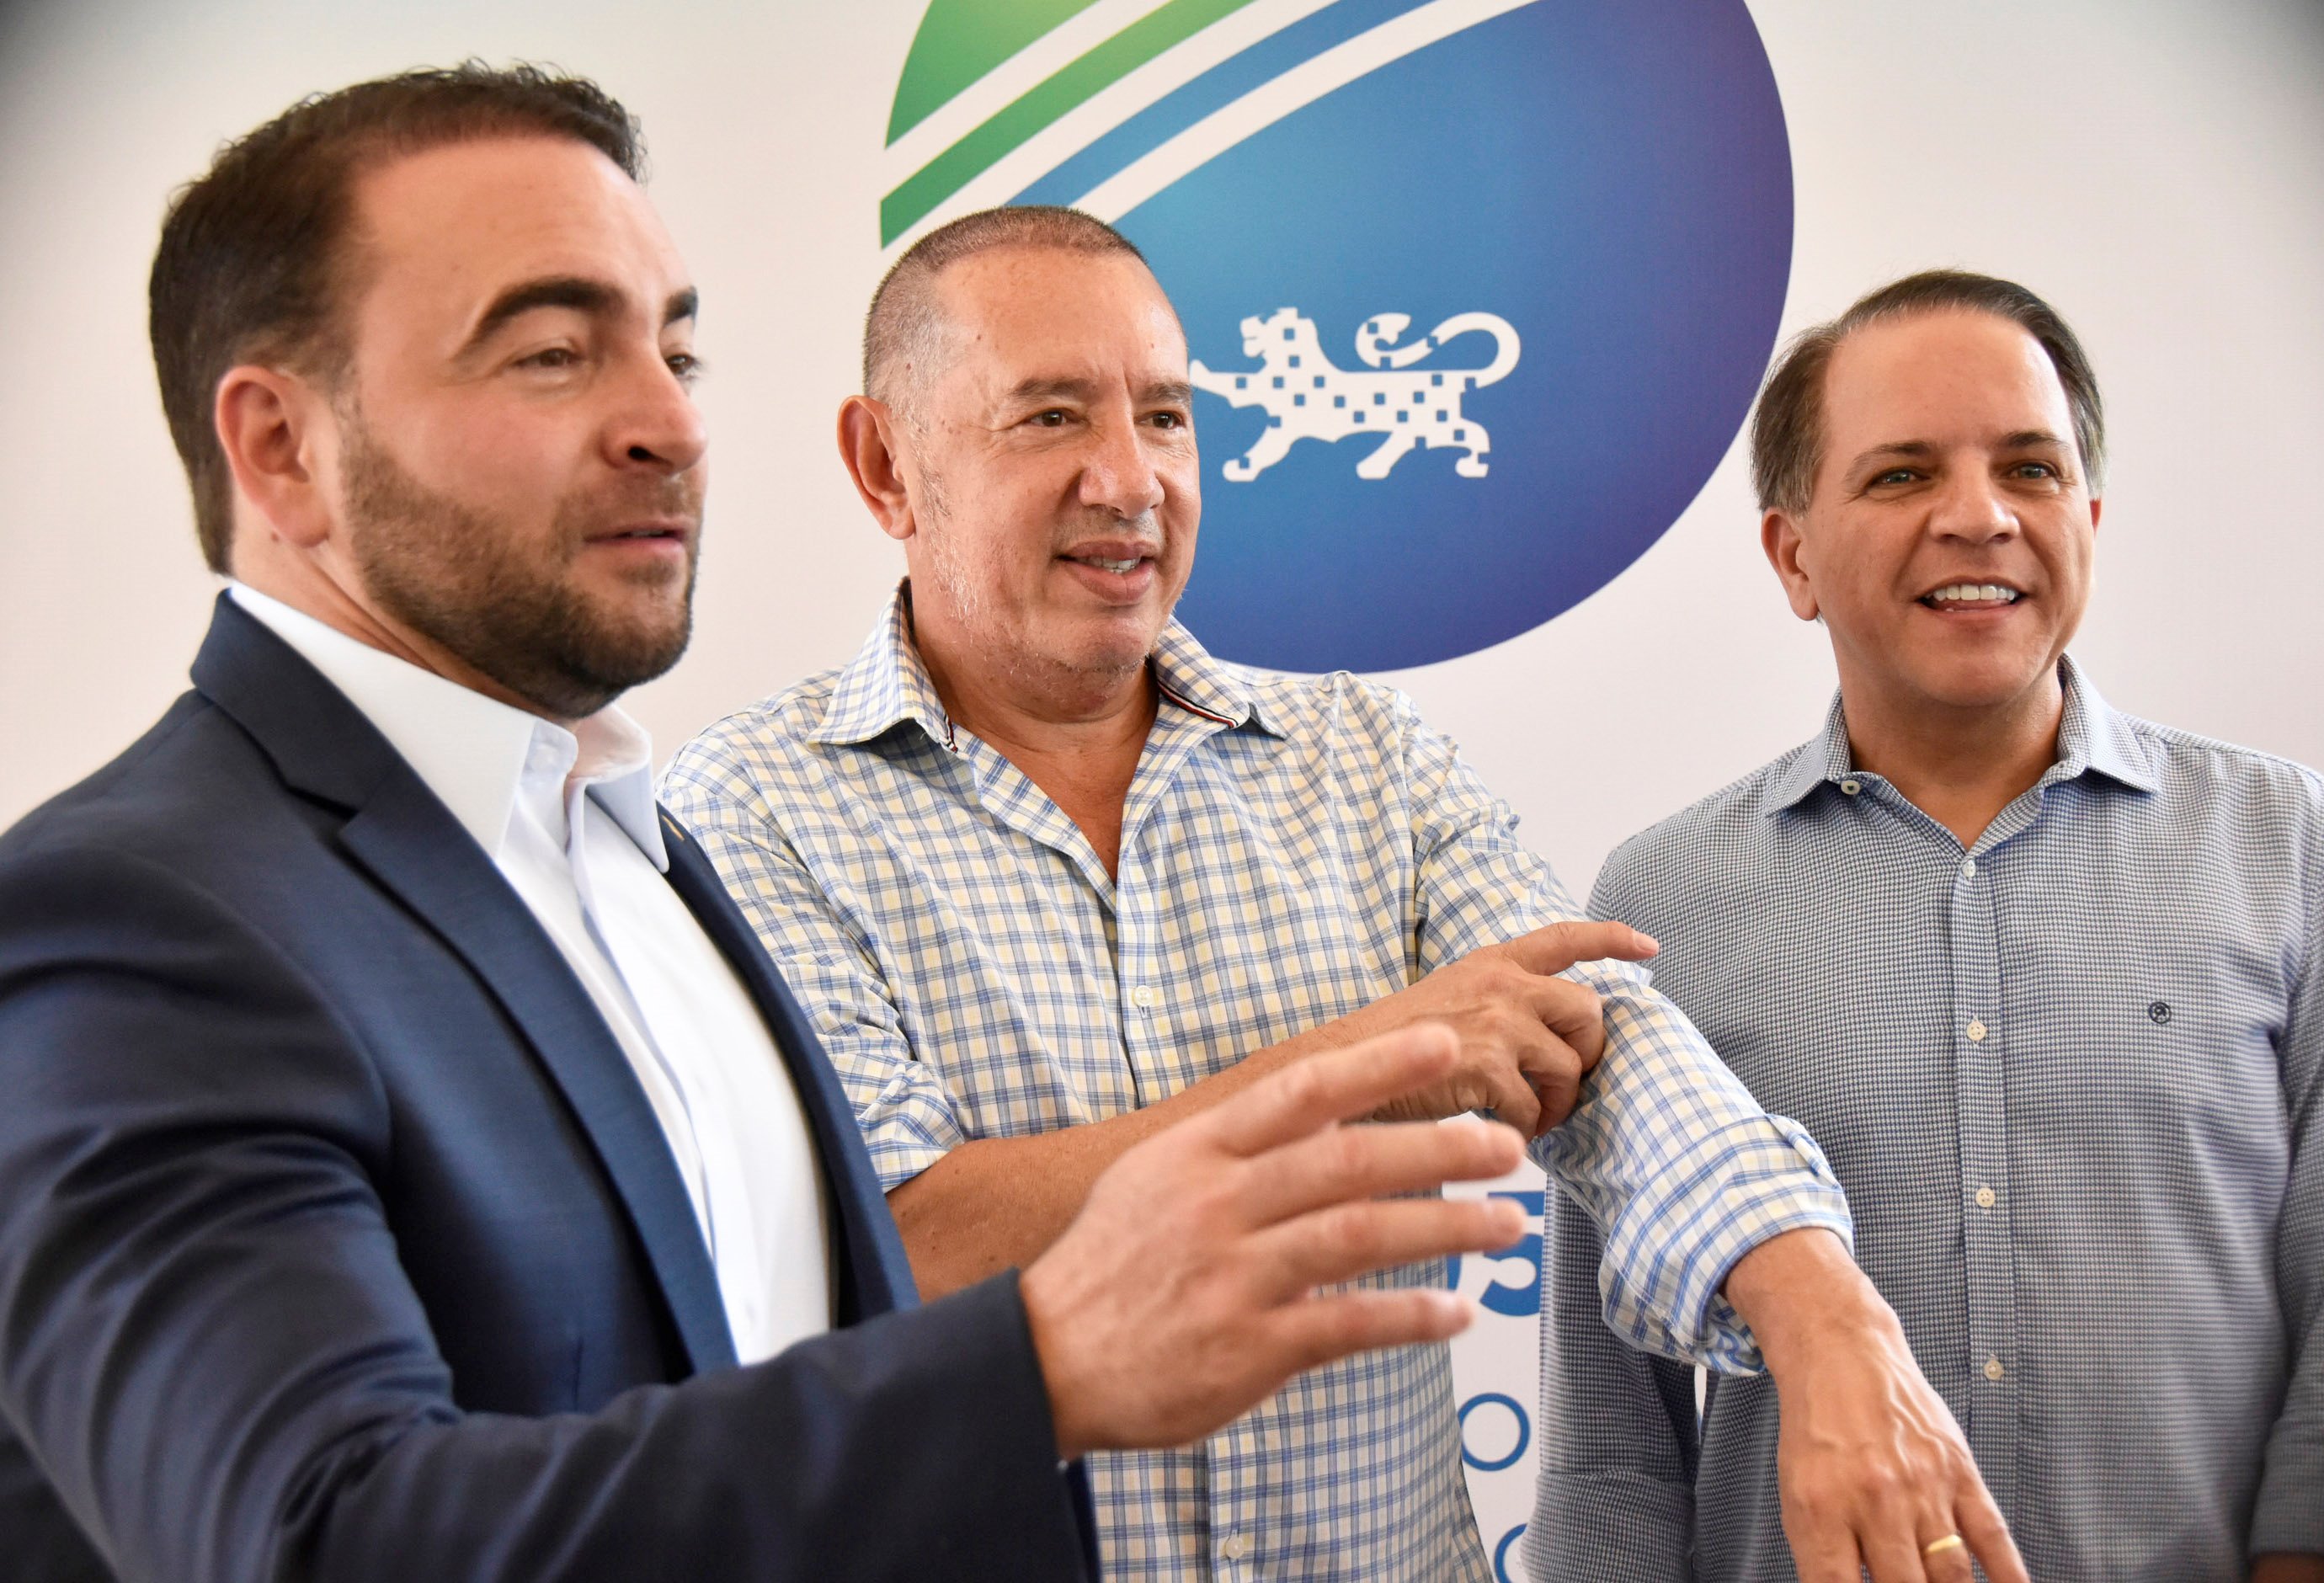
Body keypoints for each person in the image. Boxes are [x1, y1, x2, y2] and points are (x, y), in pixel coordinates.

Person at [0, 66, 1553, 1583]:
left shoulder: (623, 843)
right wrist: (1041, 1367)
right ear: (280, 447)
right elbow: (318, 1536)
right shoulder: (130, 917)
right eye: (550, 353)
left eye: (676, 352)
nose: (668, 425)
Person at [663, 208, 2024, 1582]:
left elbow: (1602, 1034)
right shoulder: (752, 809)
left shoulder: (1366, 758)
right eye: (1052, 417)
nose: (1130, 479)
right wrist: (1378, 1066)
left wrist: (1821, 1309)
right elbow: (897, 1243)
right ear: (886, 465)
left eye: (1167, 417)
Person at [1526, 269, 2324, 1582]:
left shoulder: (2284, 843)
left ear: (2089, 520)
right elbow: (1615, 1444)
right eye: (1902, 475)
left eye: (2031, 469)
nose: (1979, 517)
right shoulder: (1661, 903)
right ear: (1793, 556)